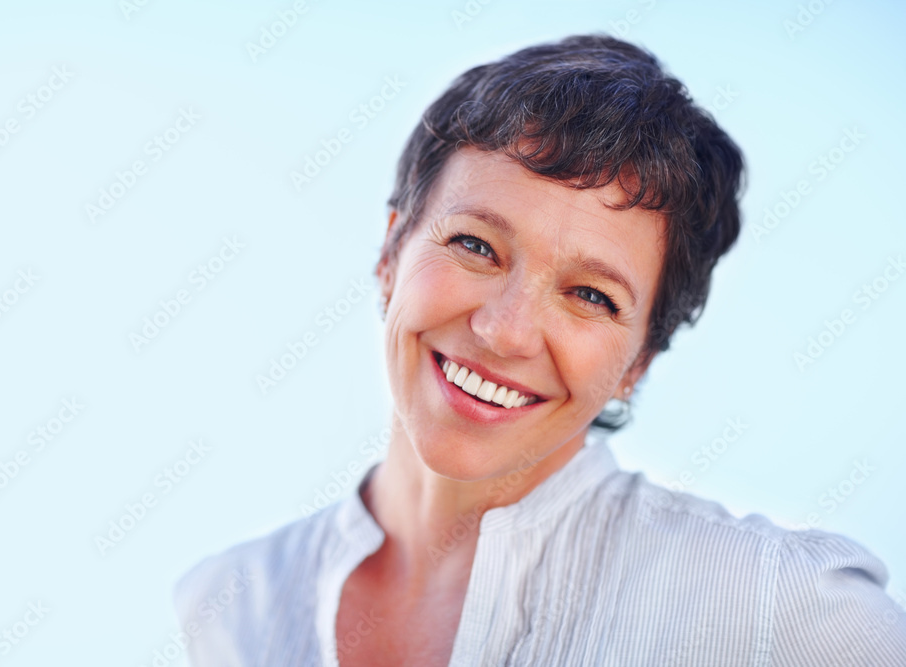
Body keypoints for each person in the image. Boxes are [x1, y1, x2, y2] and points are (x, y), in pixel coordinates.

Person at [174, 34, 906, 666]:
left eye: (592, 295)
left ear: (639, 361)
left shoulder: (781, 606)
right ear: (391, 252)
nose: (506, 330)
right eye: (475, 245)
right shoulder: (230, 603)